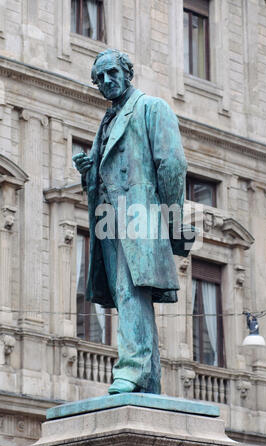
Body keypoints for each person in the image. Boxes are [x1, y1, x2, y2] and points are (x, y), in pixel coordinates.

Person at [73, 49, 189, 395]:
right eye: (99, 79)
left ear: (127, 72)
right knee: (127, 296)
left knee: (131, 291)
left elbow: (172, 165)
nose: (105, 82)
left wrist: (172, 221)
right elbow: (106, 173)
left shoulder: (152, 108)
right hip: (108, 219)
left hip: (140, 216)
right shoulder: (107, 121)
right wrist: (88, 172)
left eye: (111, 73)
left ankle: (131, 369)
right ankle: (148, 380)